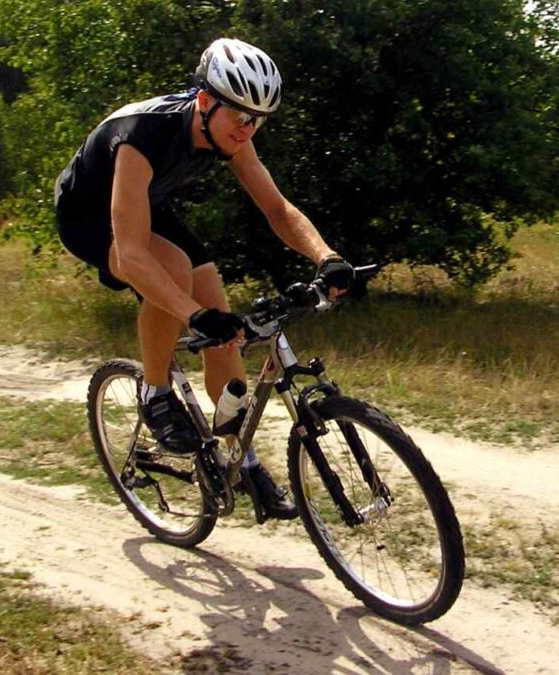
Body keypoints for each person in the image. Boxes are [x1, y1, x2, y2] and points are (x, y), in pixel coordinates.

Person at [54, 38, 354, 520]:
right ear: (204, 101)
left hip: (147, 203)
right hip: (86, 215)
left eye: (257, 120)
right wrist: (194, 317)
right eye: (239, 115)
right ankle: (155, 394)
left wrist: (327, 257)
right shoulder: (141, 137)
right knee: (173, 271)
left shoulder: (230, 133)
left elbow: (277, 209)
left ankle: (243, 461)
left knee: (222, 324)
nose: (247, 128)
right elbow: (132, 256)